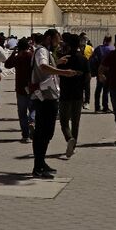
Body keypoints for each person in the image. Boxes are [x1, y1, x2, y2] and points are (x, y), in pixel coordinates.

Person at [30, 29, 80, 176]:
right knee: (43, 132)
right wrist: (64, 72)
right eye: (57, 39)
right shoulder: (42, 51)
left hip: (48, 96)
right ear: (49, 38)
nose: (59, 43)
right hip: (45, 98)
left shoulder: (45, 52)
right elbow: (43, 67)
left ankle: (41, 163)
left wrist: (57, 63)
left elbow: (45, 69)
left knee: (46, 132)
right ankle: (38, 166)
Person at [58, 33, 90, 158]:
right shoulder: (83, 59)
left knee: (64, 122)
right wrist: (81, 83)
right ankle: (73, 145)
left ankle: (69, 138)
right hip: (78, 94)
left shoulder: (64, 58)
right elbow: (88, 76)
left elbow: (57, 72)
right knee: (75, 122)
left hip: (65, 93)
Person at [4, 37, 35, 143]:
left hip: (20, 88)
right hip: (32, 87)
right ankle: (32, 121)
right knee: (33, 108)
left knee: (22, 112)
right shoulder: (32, 56)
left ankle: (25, 135)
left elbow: (7, 65)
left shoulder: (18, 57)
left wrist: (13, 53)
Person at [90, 35, 115, 113]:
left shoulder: (98, 48)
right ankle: (105, 107)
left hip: (99, 71)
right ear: (110, 40)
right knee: (106, 90)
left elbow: (93, 59)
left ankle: (97, 107)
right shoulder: (112, 49)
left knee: (98, 89)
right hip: (108, 72)